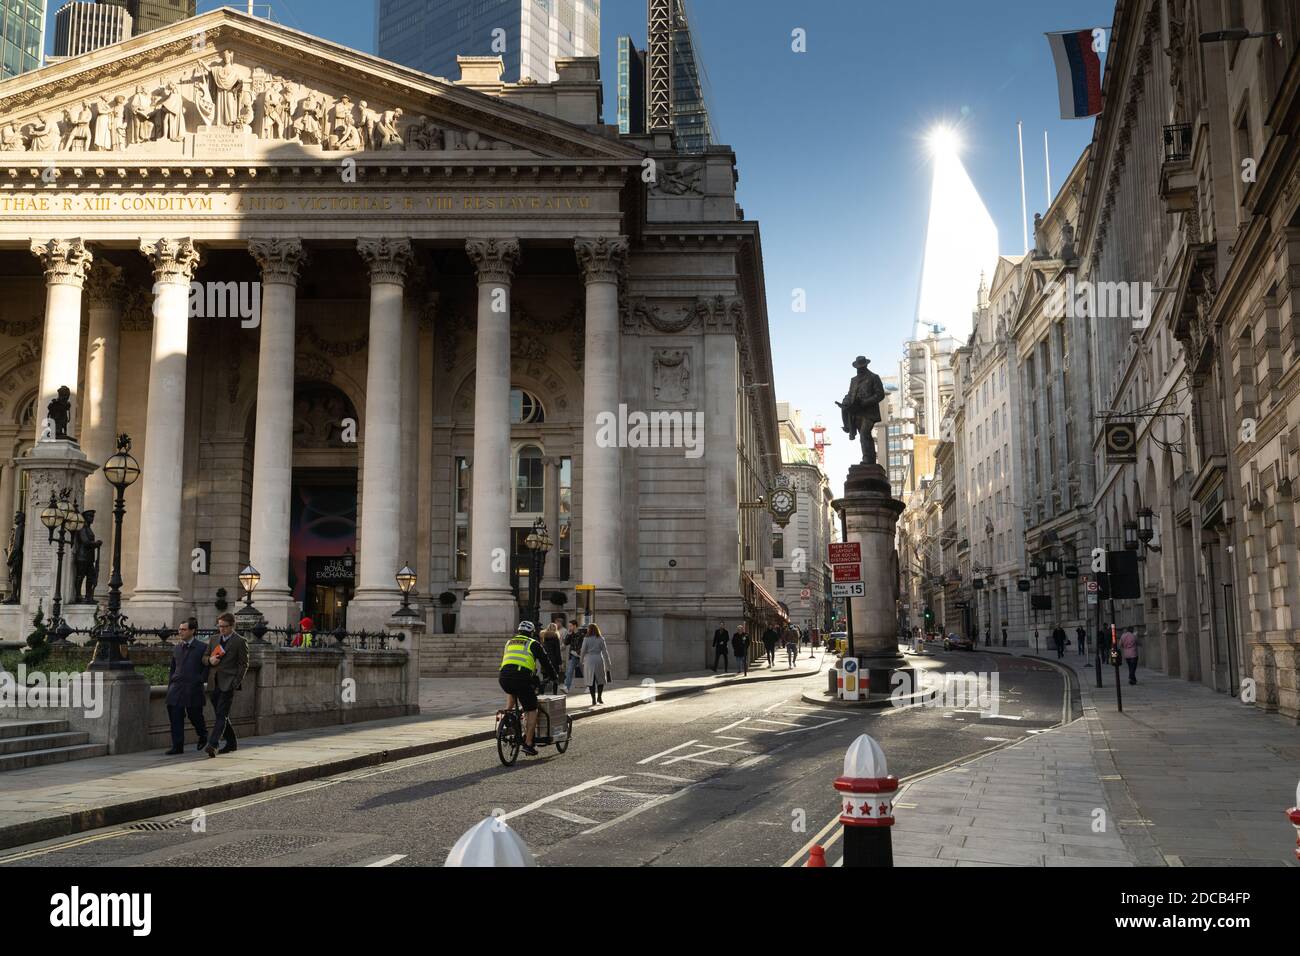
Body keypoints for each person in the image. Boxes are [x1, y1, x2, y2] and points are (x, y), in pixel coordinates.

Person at [498, 620, 561, 756]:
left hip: (503, 678)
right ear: (531, 633)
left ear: (519, 631)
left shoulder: (509, 642)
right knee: (532, 710)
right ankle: (528, 743)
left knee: (512, 690)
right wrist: (554, 676)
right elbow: (546, 661)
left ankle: (508, 718)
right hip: (522, 679)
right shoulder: (533, 643)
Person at [203, 612, 248, 757]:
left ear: (232, 626)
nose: (221, 629)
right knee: (221, 714)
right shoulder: (214, 639)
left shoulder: (239, 641)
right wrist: (209, 661)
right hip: (213, 682)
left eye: (224, 626)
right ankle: (231, 742)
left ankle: (213, 744)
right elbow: (204, 657)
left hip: (228, 683)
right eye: (219, 626)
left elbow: (243, 664)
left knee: (221, 714)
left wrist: (236, 682)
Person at [165, 617, 209, 755]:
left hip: (193, 688)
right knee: (175, 716)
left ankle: (203, 734)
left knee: (194, 715)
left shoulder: (202, 647)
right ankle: (177, 746)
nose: (180, 632)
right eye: (179, 629)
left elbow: (207, 667)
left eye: (183, 629)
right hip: (176, 688)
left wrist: (200, 679)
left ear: (192, 630)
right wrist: (171, 682)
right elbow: (173, 667)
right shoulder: (177, 648)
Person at [579, 622, 614, 706]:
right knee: (600, 680)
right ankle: (599, 697)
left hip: (589, 660)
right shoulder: (601, 638)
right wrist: (608, 663)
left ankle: (593, 700)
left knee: (591, 681)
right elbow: (605, 652)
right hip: (599, 659)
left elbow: (583, 651)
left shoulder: (586, 639)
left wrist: (581, 660)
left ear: (589, 630)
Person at [541, 623, 563, 690]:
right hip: (554, 660)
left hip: (545, 659)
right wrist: (560, 663)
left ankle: (542, 692)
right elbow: (557, 651)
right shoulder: (555, 637)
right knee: (555, 678)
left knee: (545, 677)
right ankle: (555, 693)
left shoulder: (544, 637)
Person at [562, 621, 582, 691]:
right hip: (572, 656)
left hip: (581, 656)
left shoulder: (581, 634)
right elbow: (566, 643)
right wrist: (569, 634)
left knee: (586, 672)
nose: (569, 627)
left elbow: (583, 645)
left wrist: (578, 652)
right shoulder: (571, 634)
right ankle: (566, 688)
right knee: (569, 671)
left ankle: (590, 687)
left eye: (570, 626)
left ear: (575, 626)